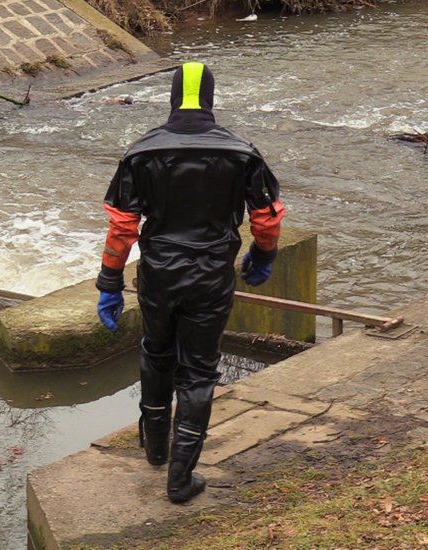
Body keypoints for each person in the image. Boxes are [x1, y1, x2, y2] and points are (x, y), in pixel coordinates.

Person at [95, 62, 286, 504]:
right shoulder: (243, 153)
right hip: (211, 273)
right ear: (211, 99)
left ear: (172, 98)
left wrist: (109, 281)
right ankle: (180, 478)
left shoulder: (141, 152)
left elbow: (122, 225)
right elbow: (267, 217)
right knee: (198, 370)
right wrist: (263, 254)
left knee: (156, 351)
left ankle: (156, 448)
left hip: (159, 272)